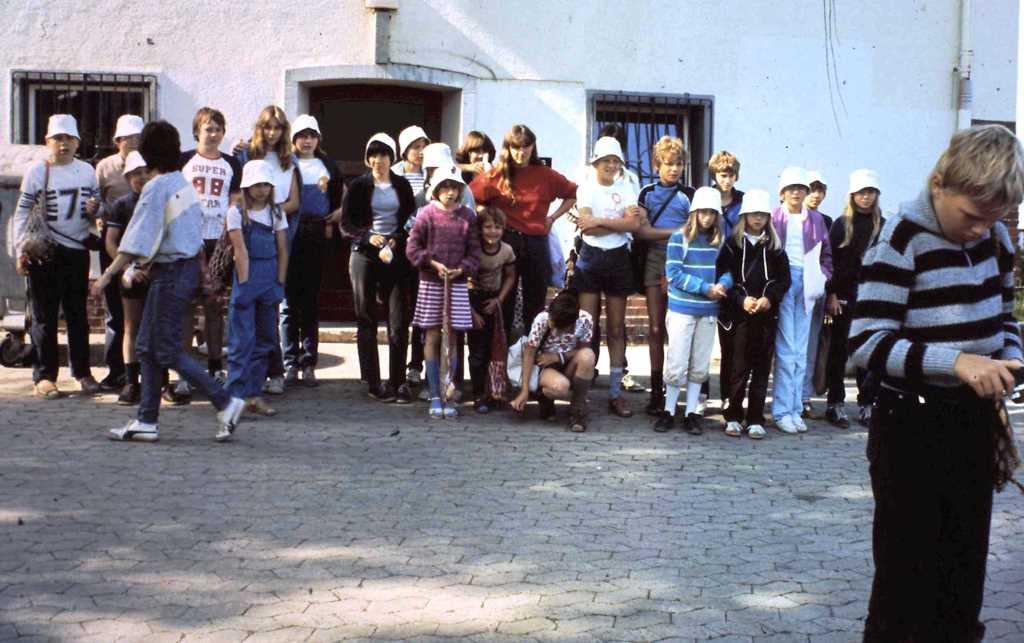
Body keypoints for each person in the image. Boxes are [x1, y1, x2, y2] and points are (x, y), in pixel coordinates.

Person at [850, 124, 1024, 642]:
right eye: (971, 216)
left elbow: (1003, 319)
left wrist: (1008, 358)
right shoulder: (899, 238)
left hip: (972, 424)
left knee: (963, 570)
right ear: (938, 183)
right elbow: (867, 343)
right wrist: (958, 364)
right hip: (911, 427)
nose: (979, 230)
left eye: (992, 220)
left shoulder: (995, 238)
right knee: (907, 577)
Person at [94, 120, 245, 443]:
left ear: (146, 152)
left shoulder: (157, 187)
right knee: (147, 347)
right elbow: (165, 232)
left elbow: (137, 239)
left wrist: (107, 275)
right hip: (182, 270)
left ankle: (225, 401)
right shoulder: (182, 183)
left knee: (164, 349)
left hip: (171, 273)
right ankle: (147, 420)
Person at [13, 114, 101, 399]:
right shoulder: (37, 172)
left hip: (77, 249)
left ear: (77, 142)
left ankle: (82, 372)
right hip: (44, 251)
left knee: (77, 314)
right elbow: (22, 211)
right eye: (57, 139)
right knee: (43, 315)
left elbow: (99, 210)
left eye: (69, 139)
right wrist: (20, 248)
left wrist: (94, 210)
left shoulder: (88, 171)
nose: (63, 144)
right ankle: (45, 376)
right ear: (47, 142)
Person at [470, 124, 577, 340]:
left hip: (536, 242)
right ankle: (501, 357)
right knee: (504, 300)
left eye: (525, 147)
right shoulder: (496, 174)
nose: (521, 152)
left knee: (535, 301)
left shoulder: (546, 174)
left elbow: (572, 193)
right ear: (508, 148)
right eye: (515, 147)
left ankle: (531, 358)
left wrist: (552, 218)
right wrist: (490, 218)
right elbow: (470, 197)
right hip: (506, 241)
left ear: (533, 147)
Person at [341, 133, 417, 403]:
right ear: (367, 158)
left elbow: (411, 218)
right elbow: (346, 224)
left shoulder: (402, 185)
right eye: (373, 155)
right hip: (365, 255)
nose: (378, 160)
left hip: (394, 254)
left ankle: (397, 381)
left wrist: (398, 238)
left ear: (391, 157)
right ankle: (373, 381)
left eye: (384, 154)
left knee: (398, 321)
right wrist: (365, 237)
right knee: (366, 318)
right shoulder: (358, 185)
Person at [573, 136, 641, 418]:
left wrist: (599, 221)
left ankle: (615, 393)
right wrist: (617, 225)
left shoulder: (627, 185)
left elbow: (634, 224)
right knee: (586, 328)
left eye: (615, 161)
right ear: (596, 163)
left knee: (616, 328)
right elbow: (586, 231)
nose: (612, 166)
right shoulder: (586, 187)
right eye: (606, 161)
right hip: (590, 258)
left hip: (618, 260)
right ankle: (581, 392)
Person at [405, 165, 481, 419]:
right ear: (436, 190)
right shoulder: (425, 214)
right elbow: (412, 248)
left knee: (454, 338)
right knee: (433, 336)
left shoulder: (468, 216)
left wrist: (461, 270)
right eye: (445, 187)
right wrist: (432, 263)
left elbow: (474, 253)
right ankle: (434, 392)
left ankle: (449, 391)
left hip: (457, 284)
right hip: (431, 282)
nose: (450, 192)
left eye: (454, 187)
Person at [715, 189, 790, 439]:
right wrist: (741, 299)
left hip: (766, 316)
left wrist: (770, 298)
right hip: (739, 316)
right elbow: (724, 277)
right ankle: (734, 415)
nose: (757, 219)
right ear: (744, 216)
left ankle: (756, 417)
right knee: (738, 367)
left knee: (761, 367)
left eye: (762, 215)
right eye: (752, 214)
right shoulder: (732, 245)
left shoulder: (775, 247)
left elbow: (784, 280)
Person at [655, 187, 731, 434]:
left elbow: (728, 272)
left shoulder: (720, 242)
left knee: (700, 364)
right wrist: (705, 288)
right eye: (703, 212)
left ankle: (691, 413)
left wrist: (723, 285)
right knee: (677, 362)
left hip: (708, 310)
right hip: (682, 309)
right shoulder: (679, 238)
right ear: (694, 213)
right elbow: (674, 274)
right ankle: (668, 410)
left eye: (712, 213)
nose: (707, 218)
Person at [178, 107, 242, 397]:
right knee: (188, 308)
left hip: (217, 241)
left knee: (215, 305)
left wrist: (230, 240)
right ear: (196, 132)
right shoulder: (184, 161)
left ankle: (216, 365)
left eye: (217, 129)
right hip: (190, 240)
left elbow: (235, 203)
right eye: (207, 129)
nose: (213, 134)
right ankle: (185, 370)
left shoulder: (231, 163)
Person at [239, 106, 301, 395]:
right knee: (245, 318)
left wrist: (269, 210)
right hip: (246, 234)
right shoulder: (246, 154)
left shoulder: (290, 161)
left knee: (270, 316)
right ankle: (248, 376)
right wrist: (253, 210)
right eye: (267, 127)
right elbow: (237, 194)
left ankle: (275, 370)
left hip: (275, 234)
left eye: (277, 127)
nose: (272, 133)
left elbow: (294, 202)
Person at [280, 114, 343, 387]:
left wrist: (338, 213)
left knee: (310, 301)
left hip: (317, 234)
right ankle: (289, 362)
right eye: (302, 136)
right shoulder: (285, 163)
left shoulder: (327, 164)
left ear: (318, 139)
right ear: (294, 139)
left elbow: (343, 195)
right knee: (287, 303)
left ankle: (309, 362)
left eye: (311, 136)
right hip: (290, 233)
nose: (307, 141)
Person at [225, 160, 289, 417]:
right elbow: (240, 251)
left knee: (265, 341)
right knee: (242, 341)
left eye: (265, 184)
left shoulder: (276, 212)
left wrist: (280, 283)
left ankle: (253, 394)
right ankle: (234, 398)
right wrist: (244, 286)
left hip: (270, 278)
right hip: (246, 277)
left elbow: (283, 249)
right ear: (246, 186)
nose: (261, 189)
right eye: (256, 185)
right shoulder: (236, 212)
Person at [770, 167, 832, 434]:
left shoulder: (816, 219)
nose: (796, 192)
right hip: (784, 283)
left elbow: (827, 255)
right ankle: (781, 411)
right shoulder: (774, 217)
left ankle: (795, 409)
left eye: (801, 188)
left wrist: (822, 278)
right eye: (791, 188)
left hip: (808, 285)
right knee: (786, 350)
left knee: (801, 351)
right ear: (782, 192)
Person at [636, 136, 692, 415]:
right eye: (669, 164)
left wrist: (681, 234)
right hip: (655, 258)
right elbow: (643, 232)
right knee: (656, 328)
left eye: (679, 164)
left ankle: (678, 389)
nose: (674, 169)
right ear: (657, 164)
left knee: (680, 328)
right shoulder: (646, 192)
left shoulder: (689, 195)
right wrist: (679, 230)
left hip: (683, 260)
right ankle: (656, 392)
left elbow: (696, 234)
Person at [824, 169, 884, 429]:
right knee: (838, 353)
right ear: (852, 195)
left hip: (872, 300)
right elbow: (830, 262)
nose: (866, 198)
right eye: (861, 193)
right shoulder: (841, 224)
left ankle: (867, 403)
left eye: (870, 192)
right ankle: (835, 403)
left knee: (868, 356)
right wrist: (831, 294)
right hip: (844, 298)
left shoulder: (884, 225)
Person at [95, 113, 145, 391]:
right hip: (114, 244)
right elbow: (95, 202)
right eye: (128, 138)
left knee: (143, 312)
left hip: (146, 251)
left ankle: (147, 374)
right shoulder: (104, 167)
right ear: (117, 141)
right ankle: (117, 370)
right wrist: (98, 216)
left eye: (138, 138)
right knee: (116, 310)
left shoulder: (150, 167)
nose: (133, 143)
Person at [510, 289, 596, 433]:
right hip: (546, 367)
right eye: (554, 325)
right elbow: (529, 353)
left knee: (588, 356)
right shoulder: (543, 319)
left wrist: (560, 356)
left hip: (569, 364)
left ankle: (577, 410)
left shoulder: (585, 320)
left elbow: (583, 349)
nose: (556, 331)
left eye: (561, 328)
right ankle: (544, 398)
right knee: (560, 387)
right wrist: (524, 390)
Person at [103, 151, 151, 405]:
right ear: (128, 177)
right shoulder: (121, 205)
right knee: (131, 326)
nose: (141, 178)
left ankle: (159, 380)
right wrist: (127, 268)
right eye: (135, 174)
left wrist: (152, 266)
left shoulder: (161, 202)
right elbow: (111, 241)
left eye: (145, 173)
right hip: (130, 273)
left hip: (156, 271)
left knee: (155, 328)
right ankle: (131, 381)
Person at [467, 206, 516, 413]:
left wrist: (499, 300)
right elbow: (462, 282)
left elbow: (511, 276)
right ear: (479, 229)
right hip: (471, 300)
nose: (492, 231)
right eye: (487, 227)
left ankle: (495, 391)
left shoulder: (506, 250)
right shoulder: (473, 251)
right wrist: (471, 311)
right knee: (477, 351)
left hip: (493, 300)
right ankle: (478, 394)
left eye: (497, 227)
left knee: (495, 348)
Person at [708, 150, 746, 414]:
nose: (726, 179)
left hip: (734, 272)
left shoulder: (743, 201)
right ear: (715, 175)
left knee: (729, 341)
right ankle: (698, 396)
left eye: (731, 174)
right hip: (707, 270)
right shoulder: (706, 197)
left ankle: (728, 396)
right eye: (722, 174)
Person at [801, 170, 833, 418]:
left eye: (820, 190)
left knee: (811, 345)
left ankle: (805, 397)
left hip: (815, 293)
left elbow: (828, 257)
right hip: (790, 292)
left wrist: (823, 278)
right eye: (812, 189)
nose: (816, 195)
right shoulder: (783, 217)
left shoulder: (826, 221)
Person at [392, 125, 430, 200]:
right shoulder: (392, 174)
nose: (422, 152)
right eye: (416, 147)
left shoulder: (431, 173)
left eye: (424, 147)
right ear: (405, 150)